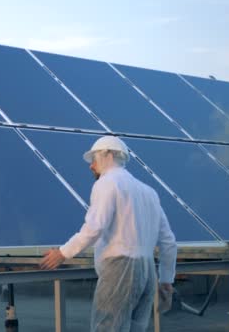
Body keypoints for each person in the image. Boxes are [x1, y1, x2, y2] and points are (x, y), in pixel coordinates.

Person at [40, 136, 177, 331]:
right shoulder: (149, 192)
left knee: (107, 327)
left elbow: (95, 227)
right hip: (148, 273)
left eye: (93, 159)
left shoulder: (107, 183)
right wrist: (166, 280)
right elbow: (169, 242)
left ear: (108, 155)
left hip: (120, 269)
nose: (91, 166)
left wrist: (63, 253)